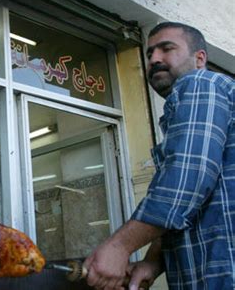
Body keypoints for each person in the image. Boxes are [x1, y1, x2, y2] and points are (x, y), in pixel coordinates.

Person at [83, 21, 235, 289]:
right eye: (149, 53)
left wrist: (119, 246)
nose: (154, 59)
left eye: (166, 49)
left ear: (200, 59)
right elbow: (196, 201)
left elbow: (186, 180)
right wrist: (153, 262)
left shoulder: (200, 83)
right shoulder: (194, 105)